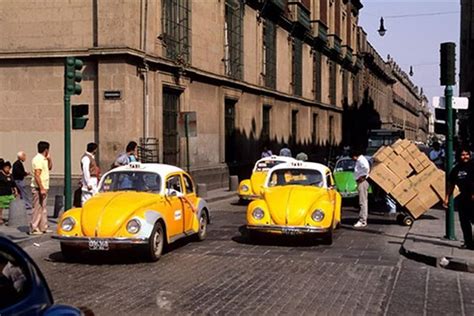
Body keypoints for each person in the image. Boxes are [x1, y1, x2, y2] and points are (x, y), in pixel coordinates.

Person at [444, 146, 474, 249]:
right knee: (464, 222)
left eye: (467, 154)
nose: (465, 157)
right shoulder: (456, 169)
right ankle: (469, 243)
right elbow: (451, 184)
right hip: (463, 199)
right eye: (463, 155)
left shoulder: (473, 166)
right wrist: (447, 198)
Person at [30, 141, 53, 235]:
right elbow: (37, 175)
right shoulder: (38, 159)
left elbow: (50, 167)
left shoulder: (44, 159)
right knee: (37, 208)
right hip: (38, 187)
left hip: (43, 187)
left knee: (43, 208)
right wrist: (42, 188)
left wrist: (49, 159)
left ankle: (43, 227)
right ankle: (34, 228)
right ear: (46, 150)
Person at [352, 148, 370, 228]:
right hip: (361, 181)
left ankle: (362, 220)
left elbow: (366, 168)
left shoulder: (361, 160)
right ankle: (362, 219)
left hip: (362, 182)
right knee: (363, 201)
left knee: (362, 202)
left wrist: (362, 177)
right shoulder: (361, 159)